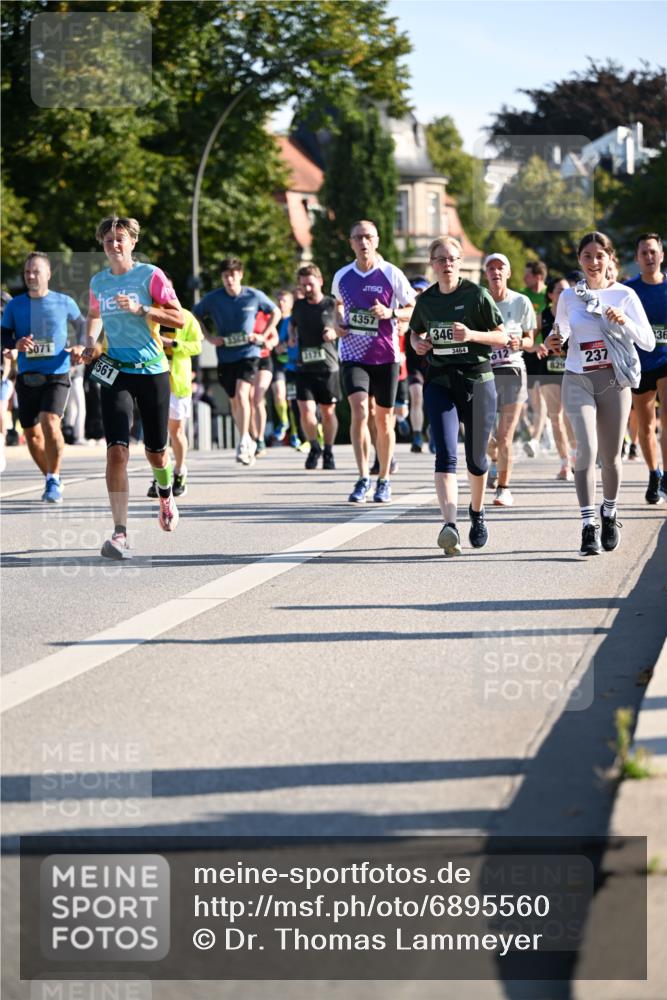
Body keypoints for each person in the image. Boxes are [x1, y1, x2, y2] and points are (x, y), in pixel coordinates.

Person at [547, 231, 654, 556]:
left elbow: (647, 341)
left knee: (610, 457)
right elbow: (561, 331)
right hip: (577, 378)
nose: (593, 262)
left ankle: (609, 512)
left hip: (613, 382)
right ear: (579, 260)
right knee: (586, 450)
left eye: (599, 256)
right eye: (587, 256)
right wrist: (555, 341)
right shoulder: (569, 297)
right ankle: (587, 524)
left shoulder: (625, 296)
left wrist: (624, 322)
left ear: (610, 260)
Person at [82, 215, 184, 559]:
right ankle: (120, 533)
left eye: (120, 239)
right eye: (108, 240)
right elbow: (94, 315)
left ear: (133, 243)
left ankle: (165, 493)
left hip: (152, 369)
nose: (114, 245)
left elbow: (179, 318)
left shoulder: (150, 276)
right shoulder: (99, 282)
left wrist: (144, 309)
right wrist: (90, 343)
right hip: (116, 371)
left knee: (156, 450)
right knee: (116, 451)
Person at [409, 236, 505, 554]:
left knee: (476, 460)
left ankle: (476, 513)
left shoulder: (476, 295)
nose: (446, 265)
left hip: (477, 380)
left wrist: (472, 334)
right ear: (432, 264)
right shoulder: (426, 301)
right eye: (440, 259)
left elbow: (502, 336)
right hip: (440, 381)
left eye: (451, 259)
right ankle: (449, 525)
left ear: (460, 261)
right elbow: (415, 332)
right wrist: (418, 343)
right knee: (445, 454)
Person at [332, 219, 415, 503]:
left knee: (384, 420)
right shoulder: (342, 276)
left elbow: (413, 309)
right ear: (351, 243)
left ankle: (384, 479)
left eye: (368, 237)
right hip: (353, 355)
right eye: (357, 238)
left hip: (385, 356)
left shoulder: (392, 273)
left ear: (377, 240)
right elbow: (337, 304)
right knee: (359, 410)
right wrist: (338, 323)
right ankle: (362, 477)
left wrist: (391, 314)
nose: (363, 242)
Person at [1, 252, 85, 501]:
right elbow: (3, 335)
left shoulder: (64, 302)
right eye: (27, 272)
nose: (30, 276)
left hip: (57, 372)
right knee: (32, 434)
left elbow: (83, 326)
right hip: (28, 375)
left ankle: (54, 479)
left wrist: (80, 347)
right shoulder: (15, 305)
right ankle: (51, 477)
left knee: (50, 421)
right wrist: (17, 342)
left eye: (35, 271)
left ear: (48, 274)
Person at [193, 257, 280, 466]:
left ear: (240, 275)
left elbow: (275, 312)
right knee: (234, 400)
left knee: (243, 395)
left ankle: (244, 441)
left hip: (249, 354)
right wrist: (209, 337)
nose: (229, 279)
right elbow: (194, 315)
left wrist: (264, 335)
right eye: (225, 276)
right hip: (225, 357)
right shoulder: (213, 298)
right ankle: (246, 436)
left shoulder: (253, 295)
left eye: (233, 275)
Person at [484, 253, 536, 507]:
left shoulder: (521, 301)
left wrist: (520, 342)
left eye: (500, 268)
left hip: (512, 370)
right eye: (490, 268)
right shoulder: (478, 301)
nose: (495, 272)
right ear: (485, 274)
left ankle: (504, 489)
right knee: (483, 437)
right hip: (483, 372)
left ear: (508, 273)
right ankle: (494, 460)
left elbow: (530, 340)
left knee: (504, 436)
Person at [624, 233, 667, 503]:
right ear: (637, 258)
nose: (649, 257)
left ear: (661, 255)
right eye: (644, 253)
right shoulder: (629, 291)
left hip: (666, 360)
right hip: (640, 364)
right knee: (646, 425)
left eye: (653, 252)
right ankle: (654, 474)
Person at [147, 307, 203, 498]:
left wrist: (173, 343)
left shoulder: (185, 316)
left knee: (176, 431)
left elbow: (197, 346)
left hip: (177, 383)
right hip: (152, 378)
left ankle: (179, 472)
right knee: (156, 432)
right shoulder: (147, 315)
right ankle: (161, 474)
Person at [288, 265, 339, 470]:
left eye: (310, 283)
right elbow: (293, 323)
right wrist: (291, 335)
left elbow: (342, 326)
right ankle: (314, 447)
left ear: (320, 281)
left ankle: (328, 450)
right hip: (304, 367)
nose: (307, 288)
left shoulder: (332, 304)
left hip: (328, 367)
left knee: (328, 412)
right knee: (306, 410)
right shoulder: (298, 306)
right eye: (303, 285)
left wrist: (334, 332)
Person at [529, 277, 576, 481]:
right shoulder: (543, 315)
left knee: (570, 417)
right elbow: (529, 340)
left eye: (566, 290)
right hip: (548, 370)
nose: (563, 293)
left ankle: (576, 455)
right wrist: (536, 347)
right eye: (559, 290)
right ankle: (565, 463)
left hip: (572, 370)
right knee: (555, 417)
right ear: (550, 294)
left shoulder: (575, 314)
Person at [406, 276, 430, 453]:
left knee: (436, 400)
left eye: (422, 290)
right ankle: (417, 436)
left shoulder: (434, 310)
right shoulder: (406, 313)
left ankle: (434, 433)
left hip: (433, 364)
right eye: (415, 290)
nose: (418, 294)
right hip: (413, 365)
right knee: (416, 396)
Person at [271, 289, 293, 442]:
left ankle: (295, 433)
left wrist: (284, 345)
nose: (281, 303)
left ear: (291, 303)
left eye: (284, 300)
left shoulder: (295, 320)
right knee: (279, 394)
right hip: (277, 364)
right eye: (279, 300)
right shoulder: (273, 320)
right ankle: (284, 422)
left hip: (293, 364)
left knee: (292, 400)